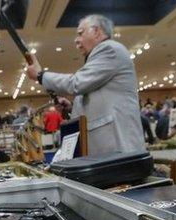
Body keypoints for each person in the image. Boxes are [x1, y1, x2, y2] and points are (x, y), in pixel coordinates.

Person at [26, 14, 145, 156]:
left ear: (96, 31)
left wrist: (41, 76)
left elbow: (77, 83)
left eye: (81, 33)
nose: (77, 40)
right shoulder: (100, 56)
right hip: (110, 151)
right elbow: (94, 96)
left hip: (118, 149)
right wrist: (71, 108)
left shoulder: (109, 49)